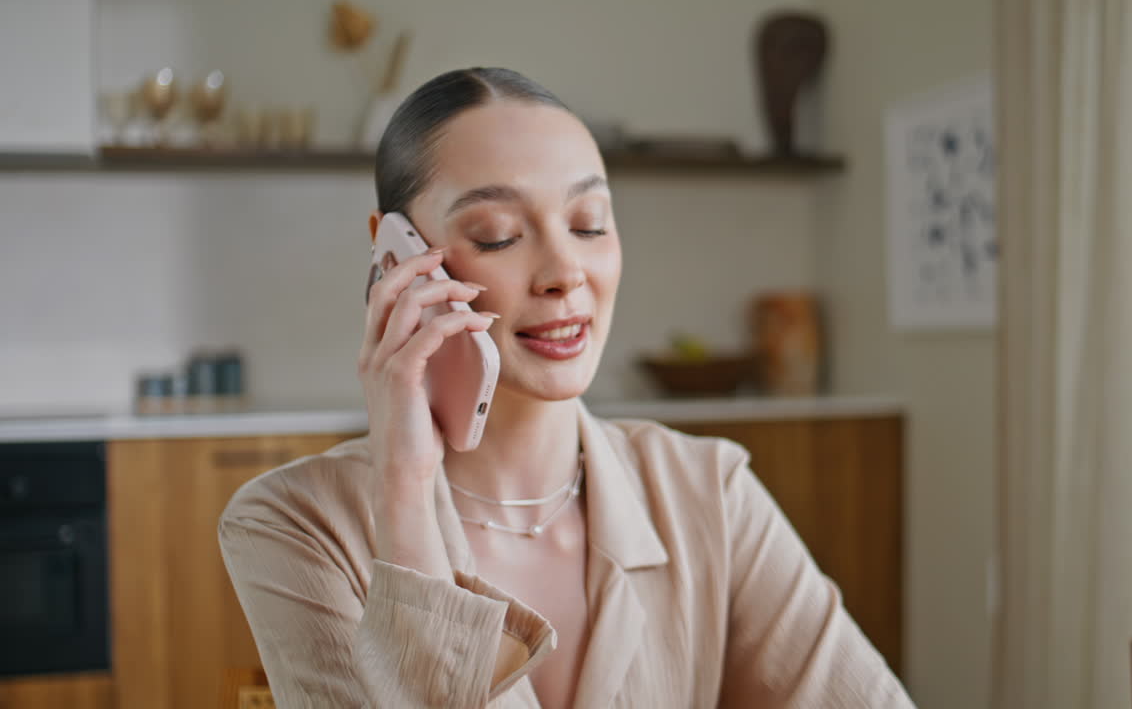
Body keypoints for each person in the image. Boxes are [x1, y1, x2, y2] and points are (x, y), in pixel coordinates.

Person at [218, 67, 913, 709]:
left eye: (589, 224)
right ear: (395, 255)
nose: (564, 271)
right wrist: (403, 484)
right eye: (496, 235)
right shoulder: (292, 523)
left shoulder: (709, 493)